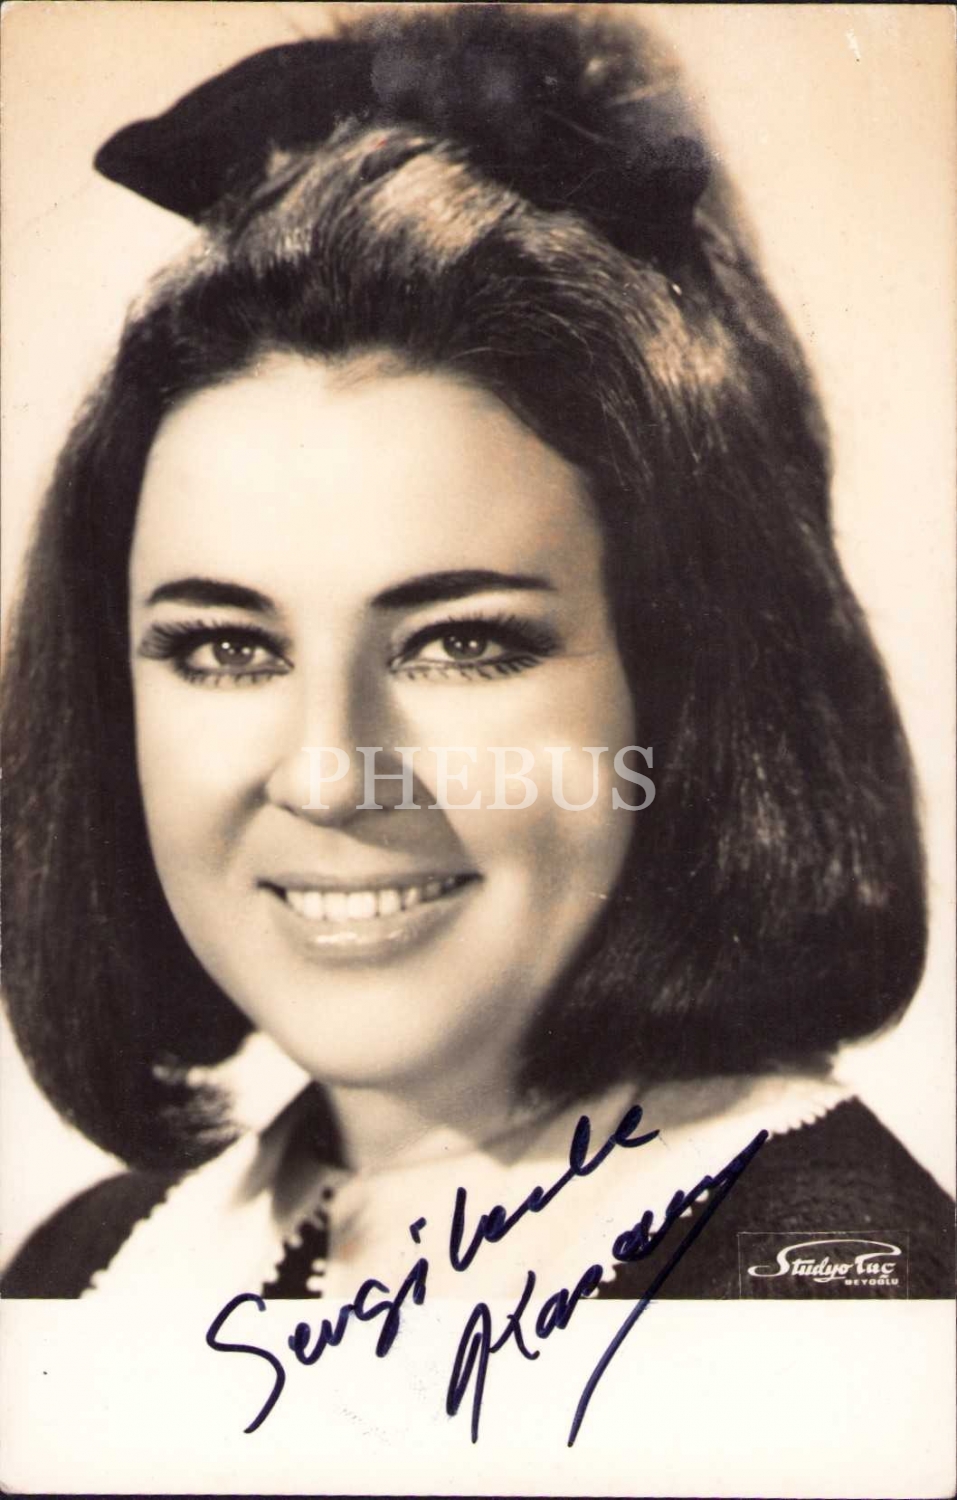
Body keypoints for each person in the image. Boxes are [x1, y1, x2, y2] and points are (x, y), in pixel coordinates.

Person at [2, 4, 952, 1305]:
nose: (330, 776)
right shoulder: (88, 1277)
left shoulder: (840, 1288)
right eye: (224, 647)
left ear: (681, 693)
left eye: (461, 643)